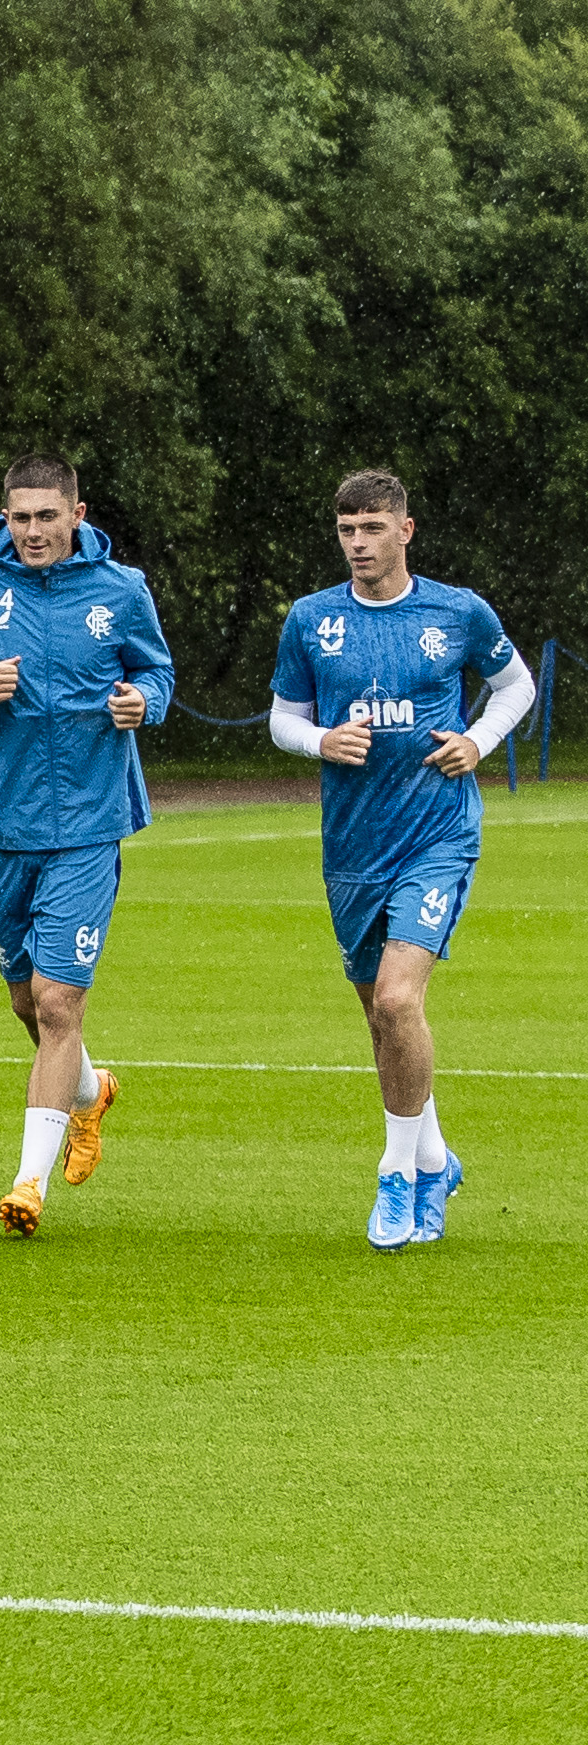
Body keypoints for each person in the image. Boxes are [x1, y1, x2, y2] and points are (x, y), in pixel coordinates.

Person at [265, 469, 526, 1250]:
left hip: (437, 836)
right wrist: (322, 740)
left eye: (373, 528)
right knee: (382, 1017)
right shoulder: (312, 621)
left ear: (405, 530)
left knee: (398, 1001)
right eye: (347, 530)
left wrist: (478, 739)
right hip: (352, 845)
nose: (358, 544)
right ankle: (436, 1160)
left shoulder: (456, 610)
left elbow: (517, 684)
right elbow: (284, 717)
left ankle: (396, 1174)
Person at [0, 454, 172, 1237]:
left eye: (47, 516)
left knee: (60, 1002)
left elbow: (156, 675)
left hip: (91, 823)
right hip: (5, 822)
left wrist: (141, 701)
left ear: (77, 514)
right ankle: (90, 1094)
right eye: (20, 517)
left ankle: (28, 1182)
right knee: (28, 1000)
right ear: (6, 517)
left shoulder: (121, 590)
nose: (33, 531)